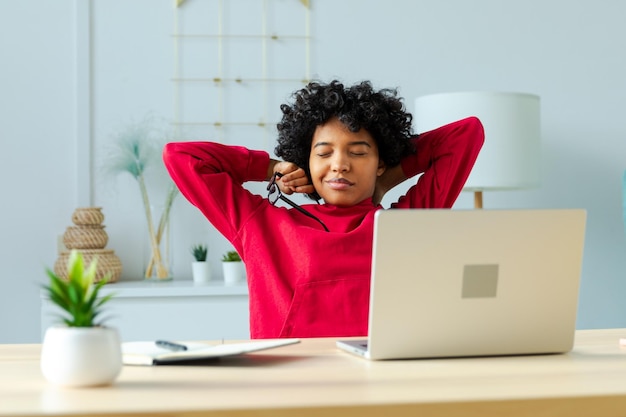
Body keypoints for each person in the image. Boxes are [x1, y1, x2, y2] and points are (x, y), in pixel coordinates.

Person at [163, 80, 484, 339]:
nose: (340, 164)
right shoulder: (261, 224)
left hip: (384, 382)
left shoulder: (404, 225)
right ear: (307, 161)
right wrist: (269, 167)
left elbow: (465, 134)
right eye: (324, 153)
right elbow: (181, 157)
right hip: (291, 385)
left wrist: (383, 181)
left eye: (358, 153)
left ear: (380, 162)